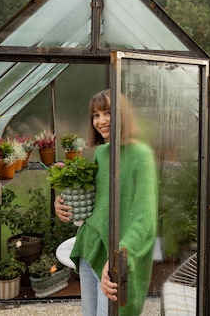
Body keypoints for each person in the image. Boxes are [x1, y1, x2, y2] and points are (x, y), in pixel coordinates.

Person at [54, 89, 158, 316]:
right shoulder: (102, 153)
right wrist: (60, 202)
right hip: (89, 248)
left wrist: (117, 260)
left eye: (107, 112)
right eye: (95, 115)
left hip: (115, 259)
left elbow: (145, 218)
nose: (100, 121)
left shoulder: (141, 154)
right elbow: (90, 195)